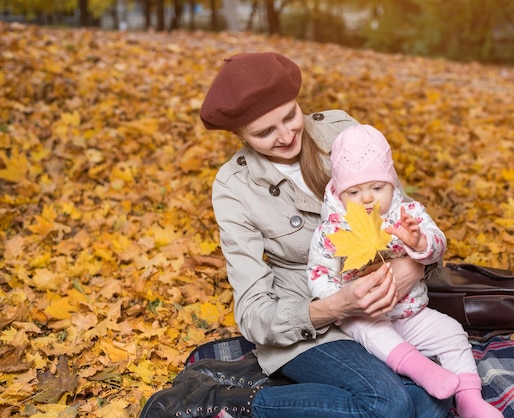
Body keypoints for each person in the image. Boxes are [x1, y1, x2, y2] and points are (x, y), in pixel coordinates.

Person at [140, 52, 453, 418]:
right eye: (263, 132)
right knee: (392, 405)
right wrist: (335, 306)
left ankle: (279, 389)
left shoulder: (342, 132)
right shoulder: (234, 187)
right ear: (238, 135)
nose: (287, 135)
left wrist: (411, 267)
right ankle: (227, 401)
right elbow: (254, 312)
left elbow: (408, 216)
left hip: (385, 312)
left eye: (290, 115)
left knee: (434, 400)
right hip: (312, 323)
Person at [307, 124, 503, 418]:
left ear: (392, 183)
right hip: (365, 316)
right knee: (370, 330)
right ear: (338, 190)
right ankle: (422, 369)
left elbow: (439, 245)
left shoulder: (408, 215)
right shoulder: (332, 230)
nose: (368, 198)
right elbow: (319, 274)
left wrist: (419, 242)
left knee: (452, 333)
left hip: (411, 312)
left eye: (377, 187)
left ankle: (468, 398)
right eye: (354, 191)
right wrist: (344, 297)